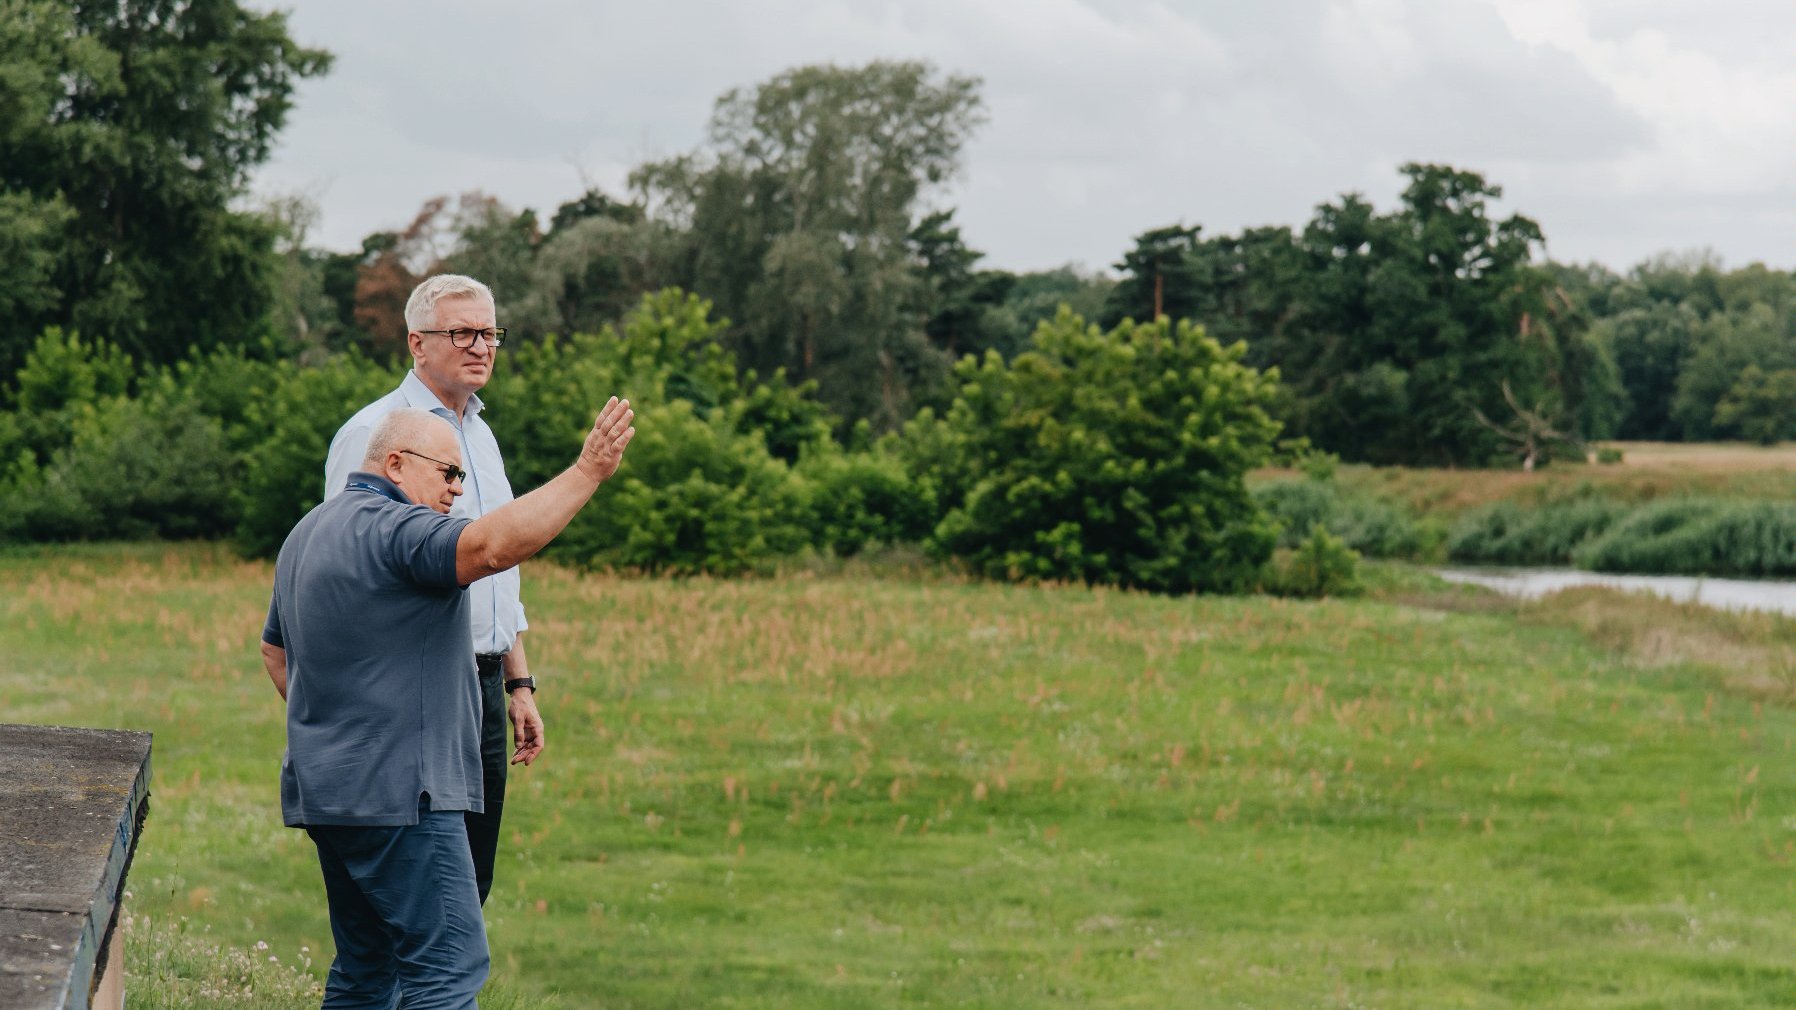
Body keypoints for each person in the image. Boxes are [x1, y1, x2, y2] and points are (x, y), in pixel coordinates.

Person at [262, 400, 634, 1007]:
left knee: (366, 968)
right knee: (448, 970)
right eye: (449, 474)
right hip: (405, 796)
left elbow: (275, 653)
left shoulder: (307, 531)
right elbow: (490, 549)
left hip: (329, 792)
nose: (457, 492)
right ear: (399, 464)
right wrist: (588, 471)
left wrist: (345, 725)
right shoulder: (398, 530)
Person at [324, 274, 530, 906]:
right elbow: (340, 570)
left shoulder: (481, 435)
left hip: (485, 688)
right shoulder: (377, 433)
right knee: (413, 891)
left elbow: (499, 571)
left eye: (489, 332)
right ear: (417, 343)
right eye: (461, 332)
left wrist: (518, 683)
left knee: (471, 882)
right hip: (414, 689)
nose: (481, 346)